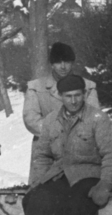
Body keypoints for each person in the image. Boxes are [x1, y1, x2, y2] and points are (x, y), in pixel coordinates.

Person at [6, 73, 112, 215]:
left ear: (84, 94)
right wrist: (38, 181)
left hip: (90, 172)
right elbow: (42, 155)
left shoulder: (97, 118)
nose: (74, 101)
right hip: (61, 172)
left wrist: (105, 184)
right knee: (38, 196)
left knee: (79, 197)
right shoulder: (51, 121)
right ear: (60, 96)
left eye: (77, 95)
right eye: (68, 96)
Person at [24, 42, 101, 185]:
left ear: (73, 63)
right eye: (58, 62)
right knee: (42, 192)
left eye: (67, 61)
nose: (63, 66)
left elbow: (94, 117)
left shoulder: (88, 87)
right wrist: (56, 133)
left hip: (80, 149)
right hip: (46, 150)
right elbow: (31, 119)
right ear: (52, 64)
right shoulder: (35, 87)